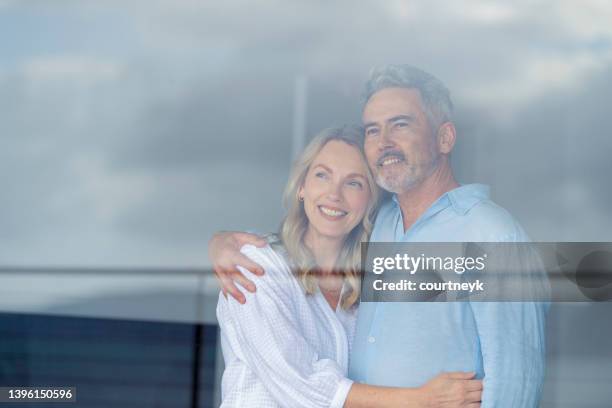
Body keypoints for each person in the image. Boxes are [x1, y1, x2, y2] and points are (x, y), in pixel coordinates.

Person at [210, 65, 548, 407]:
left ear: (445, 138)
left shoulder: (493, 235)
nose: (384, 142)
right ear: (301, 186)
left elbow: (514, 381)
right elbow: (303, 380)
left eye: (401, 124)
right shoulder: (379, 227)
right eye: (373, 130)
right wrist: (223, 242)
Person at [216, 126, 483, 407]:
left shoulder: (367, 290)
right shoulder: (255, 266)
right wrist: (422, 400)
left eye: (354, 183)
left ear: (370, 200)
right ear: (302, 188)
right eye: (322, 175)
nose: (334, 194)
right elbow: (302, 384)